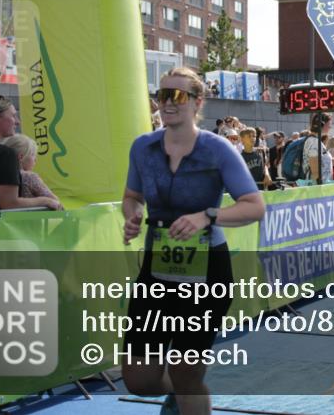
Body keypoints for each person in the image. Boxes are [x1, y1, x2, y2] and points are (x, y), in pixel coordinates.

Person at [121, 67, 264, 414]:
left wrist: (208, 215)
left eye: (178, 96)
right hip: (156, 271)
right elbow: (131, 195)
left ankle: (188, 392)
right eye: (163, 94)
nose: (168, 103)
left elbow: (255, 207)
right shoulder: (143, 147)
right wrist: (132, 216)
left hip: (207, 272)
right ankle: (182, 391)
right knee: (138, 379)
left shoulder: (218, 150)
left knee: (185, 371)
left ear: (198, 102)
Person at [3, 134, 63, 208]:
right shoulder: (29, 177)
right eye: (33, 155)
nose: (35, 160)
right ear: (21, 157)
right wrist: (45, 201)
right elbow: (56, 202)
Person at [303, 112, 333, 185]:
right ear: (322, 124)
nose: (330, 127)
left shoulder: (316, 141)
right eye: (329, 125)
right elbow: (315, 172)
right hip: (317, 189)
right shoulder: (314, 142)